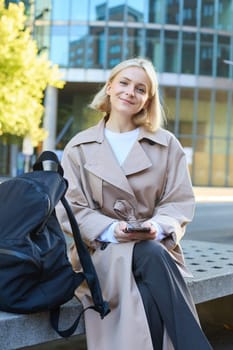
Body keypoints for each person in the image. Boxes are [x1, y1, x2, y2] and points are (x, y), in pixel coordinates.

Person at [57, 57, 213, 350]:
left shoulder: (166, 144)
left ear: (147, 100)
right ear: (110, 87)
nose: (131, 92)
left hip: (155, 248)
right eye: (125, 83)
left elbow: (178, 201)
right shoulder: (79, 146)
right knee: (148, 271)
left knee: (147, 282)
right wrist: (111, 230)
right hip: (100, 251)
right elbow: (71, 208)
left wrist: (157, 225)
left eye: (141, 89)